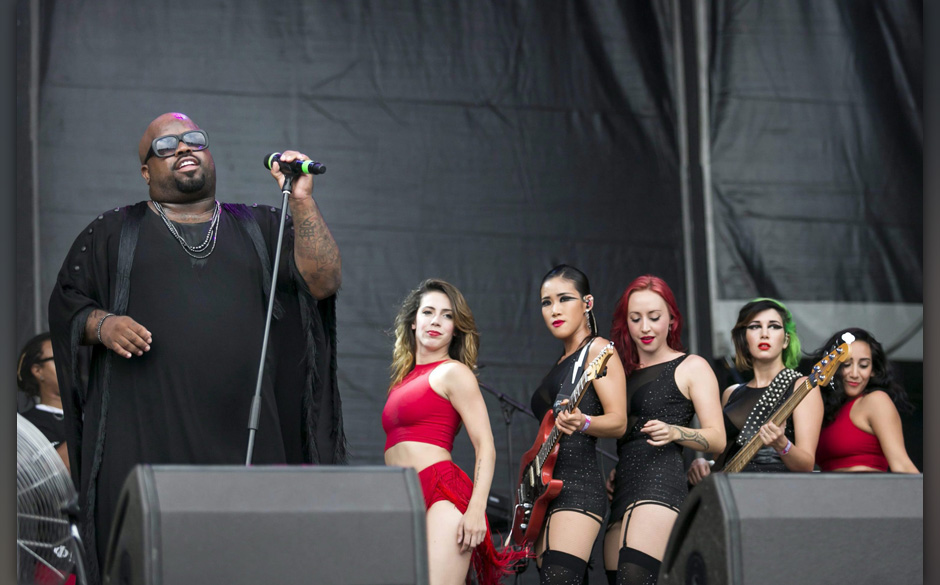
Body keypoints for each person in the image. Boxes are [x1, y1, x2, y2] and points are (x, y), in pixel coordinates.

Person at [48, 112, 347, 582]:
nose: (183, 148)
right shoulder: (111, 232)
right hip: (147, 444)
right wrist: (102, 324)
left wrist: (303, 202)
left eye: (193, 140)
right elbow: (67, 304)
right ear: (146, 172)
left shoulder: (262, 225)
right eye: (165, 147)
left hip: (246, 439)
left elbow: (324, 280)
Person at [382, 278, 522, 585]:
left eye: (447, 315)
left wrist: (476, 510)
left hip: (441, 492)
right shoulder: (403, 380)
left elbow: (485, 444)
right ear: (413, 322)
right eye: (428, 312)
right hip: (405, 498)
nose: (436, 321)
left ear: (455, 329)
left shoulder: (454, 373)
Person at [603, 276, 725, 585]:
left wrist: (675, 432)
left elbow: (718, 439)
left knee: (635, 576)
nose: (645, 327)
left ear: (671, 319)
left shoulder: (691, 366)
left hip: (661, 485)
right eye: (635, 318)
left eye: (654, 317)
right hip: (622, 492)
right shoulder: (621, 374)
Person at [528, 265, 627, 584]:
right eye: (546, 302)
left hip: (578, 488)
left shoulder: (597, 351)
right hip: (545, 492)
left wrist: (583, 422)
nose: (554, 309)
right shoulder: (561, 363)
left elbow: (619, 422)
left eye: (564, 299)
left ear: (588, 303)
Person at [688, 298, 823, 485]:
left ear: (786, 340)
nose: (764, 334)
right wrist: (705, 463)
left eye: (774, 326)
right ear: (744, 339)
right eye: (755, 327)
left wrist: (782, 444)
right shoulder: (731, 393)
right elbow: (722, 460)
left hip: (777, 491)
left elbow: (807, 465)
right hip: (735, 493)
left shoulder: (802, 386)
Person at [813, 327, 918, 473]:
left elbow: (902, 464)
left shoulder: (875, 401)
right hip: (827, 493)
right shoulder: (823, 409)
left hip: (868, 493)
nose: (855, 374)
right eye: (846, 364)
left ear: (873, 370)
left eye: (863, 365)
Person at [17, 332, 70, 472]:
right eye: (59, 358)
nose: (70, 363)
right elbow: (51, 473)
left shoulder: (88, 412)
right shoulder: (25, 427)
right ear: (38, 371)